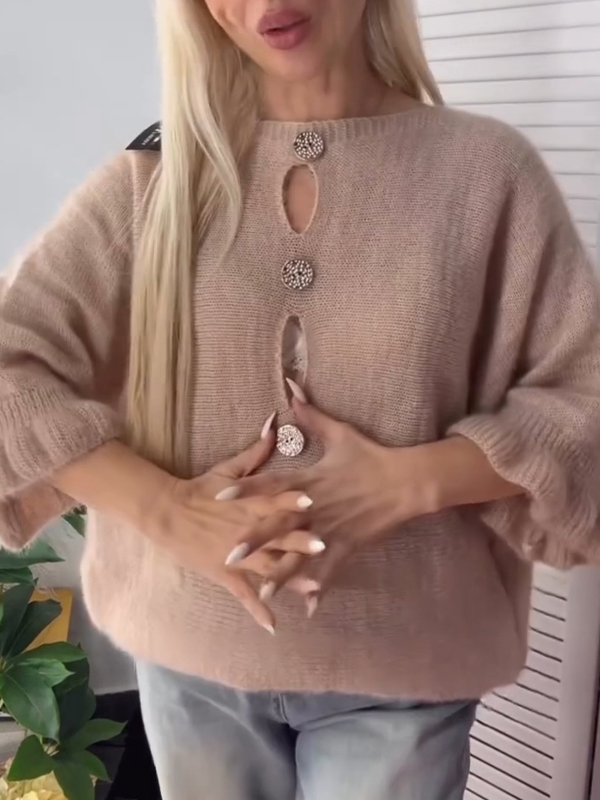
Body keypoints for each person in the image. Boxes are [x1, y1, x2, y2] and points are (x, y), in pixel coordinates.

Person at [1, 0, 600, 798]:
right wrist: (165, 510)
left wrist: (409, 482)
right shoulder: (156, 179)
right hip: (190, 664)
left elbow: (584, 404)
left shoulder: (485, 174)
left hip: (405, 667)